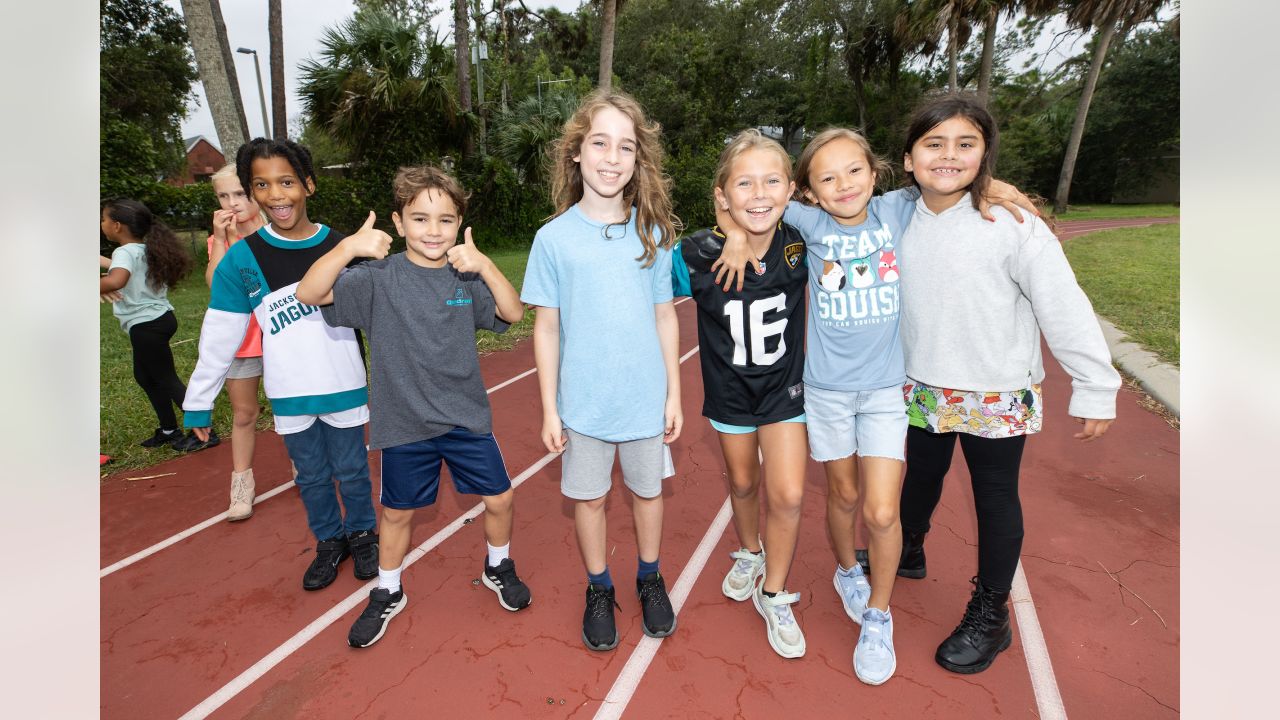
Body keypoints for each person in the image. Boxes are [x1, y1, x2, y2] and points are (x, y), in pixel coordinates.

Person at [713, 128, 1037, 685]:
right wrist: (732, 235)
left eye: (855, 171)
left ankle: (878, 616)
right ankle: (845, 571)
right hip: (828, 393)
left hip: (886, 392)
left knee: (882, 512)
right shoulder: (808, 224)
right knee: (842, 493)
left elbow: (947, 177)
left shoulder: (897, 208)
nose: (844, 185)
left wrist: (998, 188)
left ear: (878, 173)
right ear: (808, 192)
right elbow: (748, 200)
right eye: (828, 178)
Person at [895, 94, 1120, 674]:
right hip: (920, 383)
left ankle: (990, 614)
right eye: (934, 144)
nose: (949, 156)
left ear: (985, 154)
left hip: (995, 390)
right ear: (909, 158)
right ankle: (910, 545)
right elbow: (822, 195)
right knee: (918, 478)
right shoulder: (892, 212)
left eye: (965, 144)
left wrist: (1095, 383)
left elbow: (1064, 306)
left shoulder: (1014, 225)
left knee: (995, 497)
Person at [296, 165, 531, 648]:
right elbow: (309, 293)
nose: (433, 230)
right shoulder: (376, 278)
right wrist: (347, 249)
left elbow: (513, 312)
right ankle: (388, 589)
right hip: (404, 423)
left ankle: (498, 565)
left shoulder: (465, 278)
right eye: (420, 219)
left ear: (460, 224)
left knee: (501, 498)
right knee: (398, 514)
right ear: (399, 224)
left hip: (464, 417)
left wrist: (484, 263)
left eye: (445, 220)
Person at [521, 89, 683, 652]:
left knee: (647, 493)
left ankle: (650, 575)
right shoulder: (553, 238)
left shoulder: (653, 233)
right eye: (599, 143)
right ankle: (598, 586)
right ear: (576, 153)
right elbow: (545, 327)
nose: (612, 157)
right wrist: (549, 408)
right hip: (584, 405)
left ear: (638, 160)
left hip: (643, 400)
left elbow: (665, 316)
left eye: (625, 147)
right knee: (589, 499)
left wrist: (674, 395)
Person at [182, 138, 381, 592]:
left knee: (352, 469)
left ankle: (364, 534)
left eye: (287, 182)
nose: (276, 195)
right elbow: (219, 336)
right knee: (311, 476)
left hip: (344, 383)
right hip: (289, 391)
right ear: (252, 193)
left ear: (308, 185)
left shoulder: (342, 246)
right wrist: (199, 401)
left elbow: (382, 314)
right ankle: (329, 541)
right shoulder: (242, 260)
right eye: (262, 185)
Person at [670, 130, 809, 659]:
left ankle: (773, 592)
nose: (759, 193)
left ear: (791, 189)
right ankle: (750, 551)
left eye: (771, 180)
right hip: (729, 395)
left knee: (790, 493)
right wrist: (726, 232)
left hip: (783, 392)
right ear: (722, 195)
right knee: (744, 483)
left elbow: (867, 208)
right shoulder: (697, 254)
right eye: (744, 183)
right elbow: (638, 281)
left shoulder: (800, 240)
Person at [100, 199, 208, 451]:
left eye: (103, 219)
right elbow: (117, 267)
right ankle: (169, 429)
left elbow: (117, 279)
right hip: (157, 321)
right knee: (146, 376)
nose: (101, 224)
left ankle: (205, 431)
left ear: (116, 226)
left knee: (166, 378)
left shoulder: (124, 253)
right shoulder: (143, 249)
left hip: (146, 325)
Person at [201, 162, 266, 520]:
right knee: (244, 412)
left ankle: (304, 465)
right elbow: (214, 283)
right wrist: (222, 239)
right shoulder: (220, 240)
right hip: (241, 339)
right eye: (223, 196)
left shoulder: (276, 231)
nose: (233, 202)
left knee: (293, 406)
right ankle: (242, 484)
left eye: (239, 193)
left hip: (279, 335)